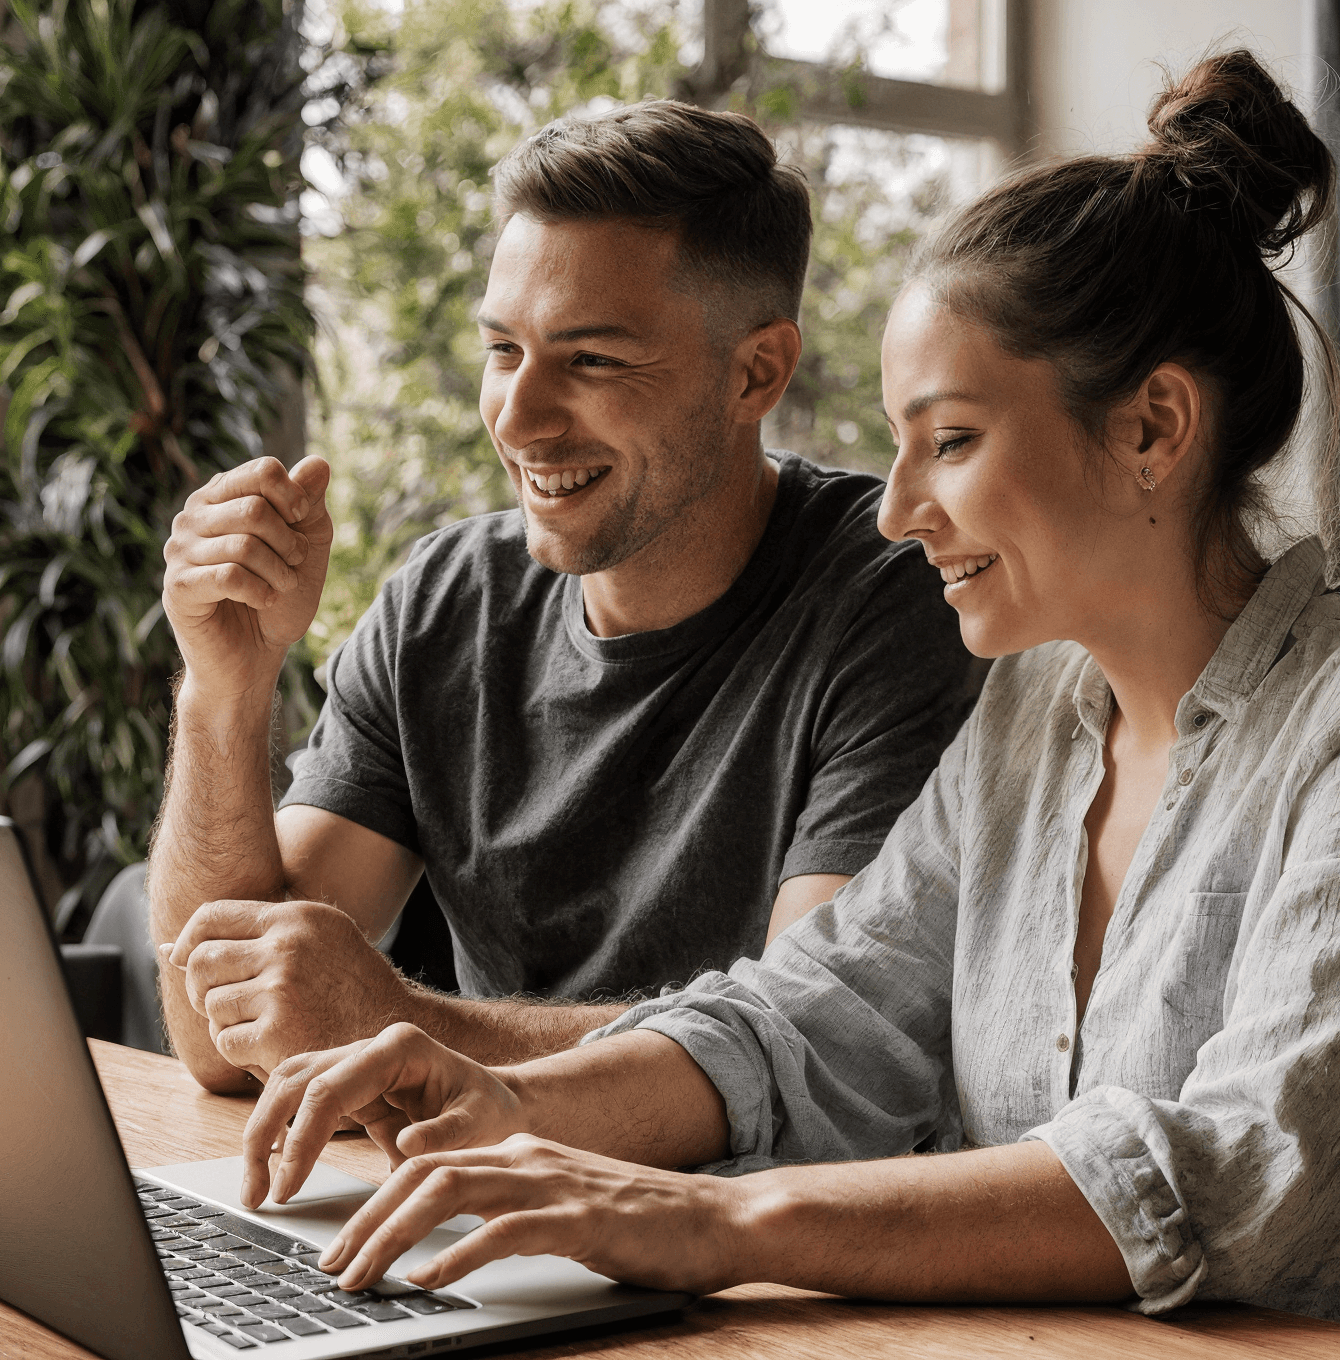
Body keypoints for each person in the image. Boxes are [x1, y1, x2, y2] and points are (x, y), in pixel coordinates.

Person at [233, 52, 1340, 1360]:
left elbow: (1243, 1175)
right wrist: (509, 1106)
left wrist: (714, 1221)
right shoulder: (1033, 715)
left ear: (1152, 428)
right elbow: (818, 1016)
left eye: (952, 442)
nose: (897, 510)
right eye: (899, 448)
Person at [148, 101, 977, 1094]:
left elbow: (809, 1043)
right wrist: (223, 691)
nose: (520, 418)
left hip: (731, 1198)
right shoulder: (440, 607)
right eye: (503, 351)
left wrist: (402, 1026)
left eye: (591, 360)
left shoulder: (897, 601)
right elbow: (222, 1040)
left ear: (756, 373)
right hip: (469, 1179)